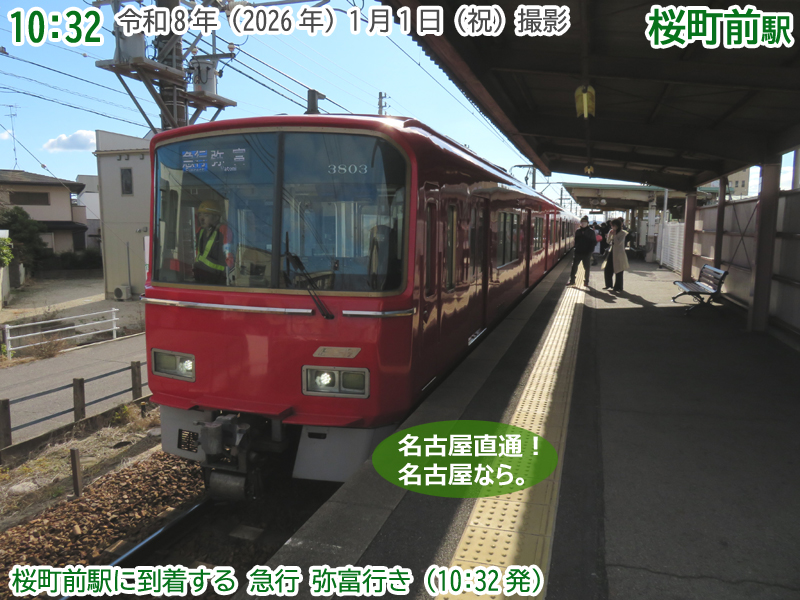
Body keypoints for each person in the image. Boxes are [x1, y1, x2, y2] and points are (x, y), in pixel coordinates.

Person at [193, 200, 234, 285]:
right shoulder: (199, 231)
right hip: (200, 277)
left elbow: (229, 256)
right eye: (200, 215)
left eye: (206, 215)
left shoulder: (223, 230)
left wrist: (227, 275)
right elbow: (197, 253)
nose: (202, 219)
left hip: (217, 279)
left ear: (216, 217)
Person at [568, 216, 597, 287]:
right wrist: (576, 248)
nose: (583, 223)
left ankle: (586, 281)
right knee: (574, 266)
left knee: (586, 267)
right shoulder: (578, 231)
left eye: (585, 222)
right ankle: (572, 281)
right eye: (582, 222)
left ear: (587, 222)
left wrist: (590, 251)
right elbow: (576, 240)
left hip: (587, 252)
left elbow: (594, 242)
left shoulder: (591, 232)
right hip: (578, 251)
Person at [603, 218, 629, 292]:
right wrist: (610, 235)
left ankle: (618, 287)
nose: (612, 227)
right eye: (612, 225)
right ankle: (608, 284)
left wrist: (614, 235)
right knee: (607, 269)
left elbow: (619, 243)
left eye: (613, 225)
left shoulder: (623, 233)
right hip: (612, 252)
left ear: (618, 225)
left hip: (619, 254)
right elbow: (608, 241)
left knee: (619, 270)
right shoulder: (611, 231)